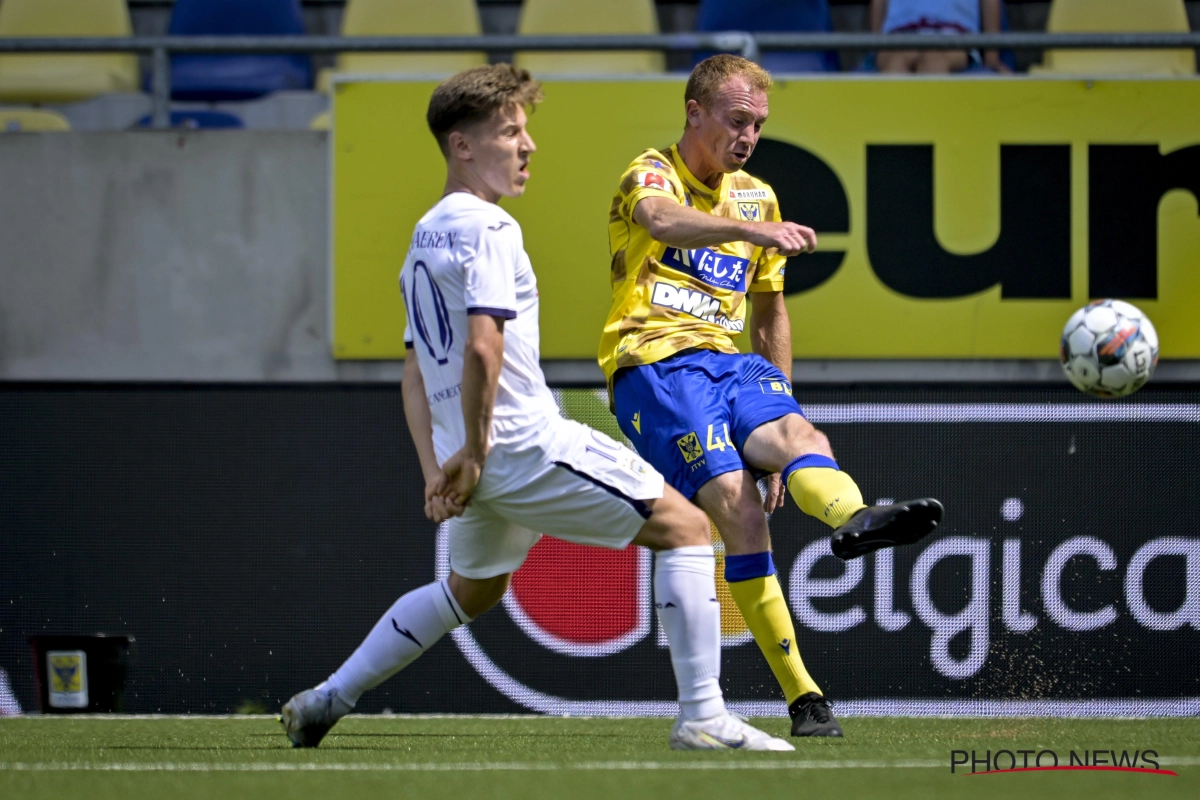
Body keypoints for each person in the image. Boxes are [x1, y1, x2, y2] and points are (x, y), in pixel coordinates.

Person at [281, 64, 792, 752]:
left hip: (471, 455)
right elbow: (484, 351)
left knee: (471, 591)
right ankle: (702, 715)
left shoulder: (425, 234)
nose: (528, 147)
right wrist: (480, 454)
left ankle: (326, 699)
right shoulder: (489, 228)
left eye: (526, 131)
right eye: (510, 133)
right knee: (688, 528)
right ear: (463, 146)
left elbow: (413, 369)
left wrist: (440, 466)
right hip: (516, 443)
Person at [598, 54, 944, 737]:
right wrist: (751, 232)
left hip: (731, 367)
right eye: (736, 120)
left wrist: (777, 405)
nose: (749, 136)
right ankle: (805, 697)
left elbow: (770, 314)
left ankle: (852, 516)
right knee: (737, 508)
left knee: (802, 441)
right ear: (693, 112)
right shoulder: (651, 172)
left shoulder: (758, 194)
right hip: (654, 363)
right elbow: (663, 223)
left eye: (757, 124)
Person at [869, 0, 1011, 73]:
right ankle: (896, 125)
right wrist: (876, 47)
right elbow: (879, 3)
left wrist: (992, 58)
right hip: (899, 33)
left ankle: (930, 126)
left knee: (934, 59)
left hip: (953, 35)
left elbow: (990, 2)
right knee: (897, 60)